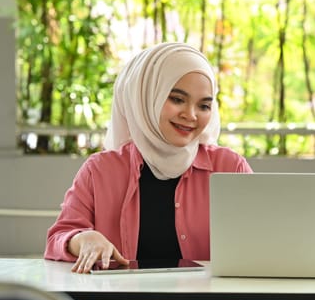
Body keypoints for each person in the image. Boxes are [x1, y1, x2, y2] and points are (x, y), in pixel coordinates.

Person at [45, 42, 253, 274]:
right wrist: (83, 239)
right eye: (176, 99)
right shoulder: (101, 170)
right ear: (145, 97)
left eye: (204, 105)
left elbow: (264, 238)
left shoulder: (229, 167)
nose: (191, 115)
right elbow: (59, 237)